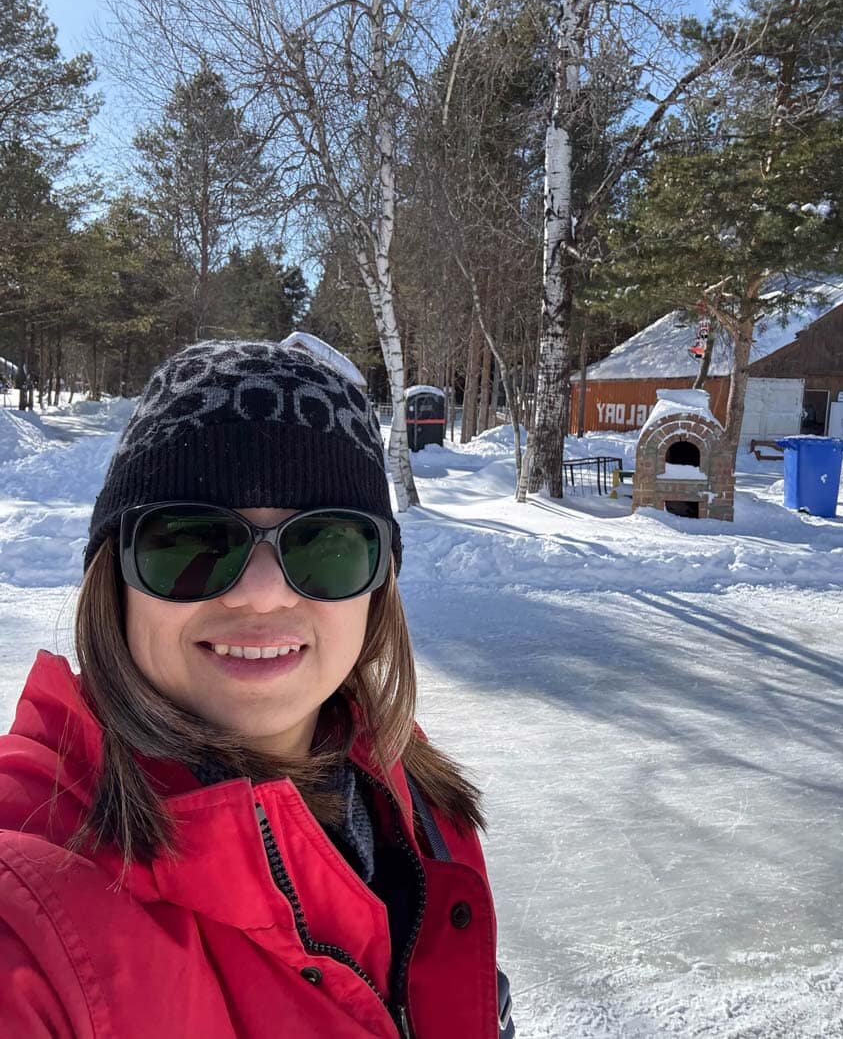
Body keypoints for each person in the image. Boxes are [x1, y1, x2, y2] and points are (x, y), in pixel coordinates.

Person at [0, 341, 513, 1038]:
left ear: (379, 583)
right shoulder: (32, 902)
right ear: (111, 578)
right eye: (188, 542)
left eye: (326, 544)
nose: (262, 595)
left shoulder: (413, 800)